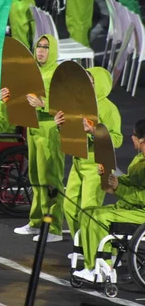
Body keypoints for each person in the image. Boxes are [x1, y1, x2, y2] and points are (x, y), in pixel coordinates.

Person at [54, 67, 122, 241]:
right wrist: (60, 125)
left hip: (97, 164)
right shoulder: (78, 104)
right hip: (78, 160)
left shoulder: (108, 108)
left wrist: (94, 131)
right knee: (69, 206)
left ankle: (98, 251)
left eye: (90, 82)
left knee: (88, 210)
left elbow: (117, 139)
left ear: (98, 84)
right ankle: (82, 247)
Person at [73, 120, 145, 282]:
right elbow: (133, 181)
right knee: (87, 212)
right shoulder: (139, 158)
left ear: (141, 140)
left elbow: (142, 196)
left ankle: (102, 268)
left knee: (99, 218)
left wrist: (119, 188)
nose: (131, 138)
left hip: (141, 213)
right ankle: (93, 264)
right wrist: (112, 178)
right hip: (130, 208)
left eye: (133, 135)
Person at [13, 34, 64, 242]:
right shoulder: (35, 71)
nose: (41, 51)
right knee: (35, 177)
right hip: (34, 128)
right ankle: (36, 222)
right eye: (39, 46)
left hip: (51, 130)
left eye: (46, 47)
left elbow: (65, 104)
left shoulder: (57, 73)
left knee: (50, 179)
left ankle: (54, 228)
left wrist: (43, 104)